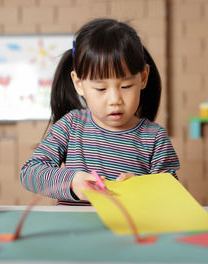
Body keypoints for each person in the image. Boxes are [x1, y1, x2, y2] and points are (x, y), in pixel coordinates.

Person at [20, 18, 180, 205]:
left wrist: (142, 186)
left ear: (143, 78)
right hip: (75, 232)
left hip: (130, 232)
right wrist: (72, 182)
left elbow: (172, 194)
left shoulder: (155, 138)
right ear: (79, 83)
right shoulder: (71, 126)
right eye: (101, 89)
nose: (114, 100)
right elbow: (30, 172)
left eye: (126, 86)